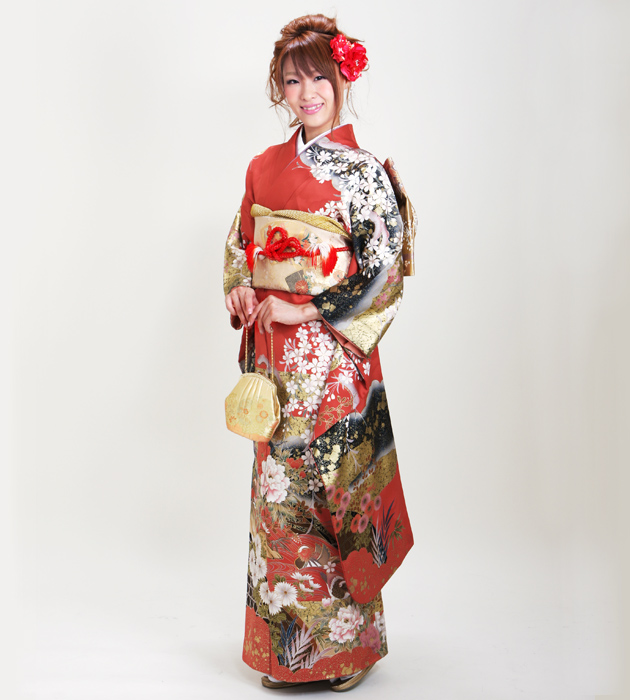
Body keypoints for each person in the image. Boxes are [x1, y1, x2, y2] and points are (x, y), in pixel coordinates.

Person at [223, 13, 415, 692]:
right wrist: (243, 288)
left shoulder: (364, 175)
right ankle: (290, 656)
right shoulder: (263, 168)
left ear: (340, 81)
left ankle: (346, 654)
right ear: (279, 89)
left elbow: (385, 269)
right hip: (277, 364)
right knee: (281, 500)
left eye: (318, 79)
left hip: (333, 362)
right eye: (292, 81)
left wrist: (306, 307)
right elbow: (242, 246)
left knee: (338, 496)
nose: (306, 94)